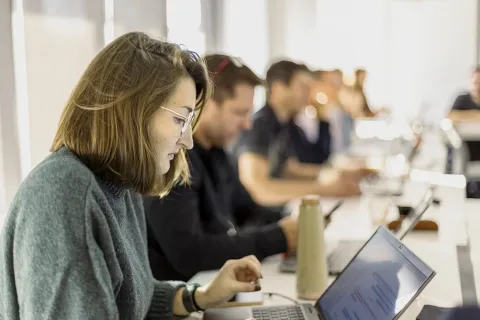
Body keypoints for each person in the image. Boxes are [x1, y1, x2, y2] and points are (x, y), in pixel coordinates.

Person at [0, 32, 262, 319]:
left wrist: (203, 295)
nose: (188, 140)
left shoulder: (119, 186)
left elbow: (137, 298)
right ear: (132, 111)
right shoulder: (63, 195)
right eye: (179, 119)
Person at [144, 54, 297, 281]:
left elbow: (247, 210)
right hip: (181, 303)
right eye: (239, 113)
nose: (247, 124)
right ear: (205, 104)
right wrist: (280, 237)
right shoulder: (172, 159)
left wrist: (292, 218)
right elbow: (189, 253)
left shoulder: (217, 153)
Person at [234, 60, 365, 209]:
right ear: (279, 89)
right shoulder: (259, 125)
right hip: (256, 220)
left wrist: (339, 175)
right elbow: (258, 188)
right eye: (303, 87)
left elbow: (290, 169)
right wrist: (326, 189)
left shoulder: (285, 124)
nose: (309, 94)